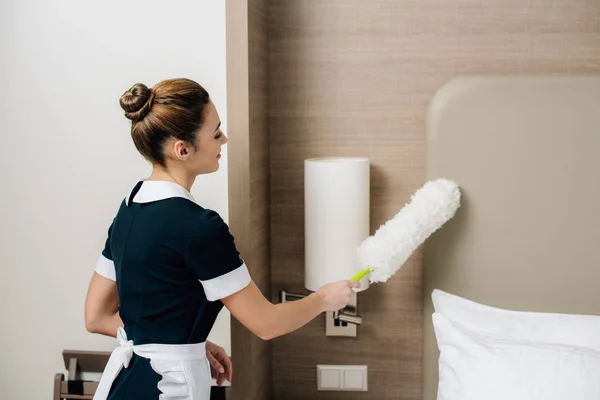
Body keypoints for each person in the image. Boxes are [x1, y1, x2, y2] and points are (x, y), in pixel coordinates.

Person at [84, 78, 359, 400]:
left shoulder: (129, 208)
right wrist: (324, 299)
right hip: (168, 390)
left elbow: (96, 316)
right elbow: (266, 323)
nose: (223, 140)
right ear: (182, 149)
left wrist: (187, 343)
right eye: (215, 134)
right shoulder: (197, 226)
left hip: (126, 384)